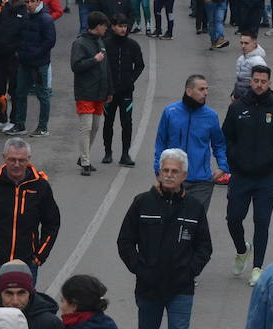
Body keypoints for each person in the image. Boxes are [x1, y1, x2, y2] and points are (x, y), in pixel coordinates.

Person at [117, 148, 213, 329]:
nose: (169, 175)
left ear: (184, 175)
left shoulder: (193, 208)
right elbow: (125, 242)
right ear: (159, 173)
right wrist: (140, 269)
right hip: (148, 286)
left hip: (181, 287)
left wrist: (189, 271)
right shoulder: (141, 203)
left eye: (174, 172)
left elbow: (204, 246)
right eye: (165, 171)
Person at [222, 64, 273, 287]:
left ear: (269, 83)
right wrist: (235, 159)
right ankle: (242, 250)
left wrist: (272, 158)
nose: (259, 85)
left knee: (261, 222)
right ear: (250, 81)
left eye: (264, 81)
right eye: (256, 81)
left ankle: (257, 267)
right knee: (233, 218)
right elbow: (226, 137)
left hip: (266, 177)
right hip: (241, 175)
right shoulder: (237, 108)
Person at [0, 138, 61, 309]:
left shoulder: (40, 187)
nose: (16, 164)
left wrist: (38, 256)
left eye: (21, 160)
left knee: (24, 315)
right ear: (4, 158)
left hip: (27, 264)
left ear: (29, 159)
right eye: (12, 159)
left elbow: (52, 223)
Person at [153, 75, 229, 214]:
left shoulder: (211, 116)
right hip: (173, 179)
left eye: (206, 89)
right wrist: (158, 168)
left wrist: (223, 166)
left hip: (201, 182)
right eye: (201, 89)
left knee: (194, 223)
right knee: (171, 221)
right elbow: (161, 143)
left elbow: (219, 144)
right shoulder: (170, 112)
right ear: (189, 91)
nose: (206, 93)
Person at [9, 0, 57, 137]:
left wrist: (34, 55)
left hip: (39, 64)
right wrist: (20, 53)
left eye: (32, 2)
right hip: (25, 62)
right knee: (20, 93)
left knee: (42, 95)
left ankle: (43, 127)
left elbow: (49, 41)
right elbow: (20, 37)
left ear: (38, 2)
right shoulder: (26, 17)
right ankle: (20, 124)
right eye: (27, 2)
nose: (29, 4)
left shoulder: (45, 19)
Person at [71, 11, 113, 174]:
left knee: (95, 127)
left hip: (99, 92)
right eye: (104, 26)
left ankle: (83, 156)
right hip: (85, 91)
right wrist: (94, 60)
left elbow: (106, 67)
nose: (106, 29)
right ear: (98, 26)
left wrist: (109, 90)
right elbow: (76, 66)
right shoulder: (80, 43)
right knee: (86, 127)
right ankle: (86, 163)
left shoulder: (100, 41)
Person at [104, 12, 145, 166]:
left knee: (127, 122)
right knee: (108, 121)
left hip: (126, 91)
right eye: (120, 26)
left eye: (125, 26)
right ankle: (108, 152)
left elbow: (140, 65)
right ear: (113, 27)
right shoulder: (106, 44)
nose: (123, 29)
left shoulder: (132, 45)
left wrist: (130, 79)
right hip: (109, 92)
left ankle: (125, 154)